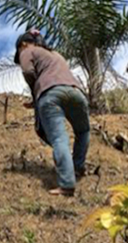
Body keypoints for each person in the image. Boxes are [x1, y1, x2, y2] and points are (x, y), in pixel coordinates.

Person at [15, 29, 90, 197]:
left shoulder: (27, 50)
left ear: (23, 44)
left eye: (19, 50)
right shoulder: (56, 54)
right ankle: (77, 167)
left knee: (58, 139)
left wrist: (36, 90)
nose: (20, 55)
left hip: (50, 95)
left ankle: (67, 184)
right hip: (76, 93)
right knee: (83, 131)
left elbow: (28, 71)